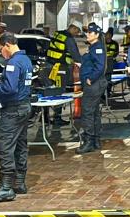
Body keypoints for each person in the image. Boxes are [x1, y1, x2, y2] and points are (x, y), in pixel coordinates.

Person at [0, 32, 33, 202]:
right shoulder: (26, 60)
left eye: (0, 49)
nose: (1, 53)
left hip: (12, 109)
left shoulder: (13, 62)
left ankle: (6, 187)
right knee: (20, 145)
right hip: (25, 107)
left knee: (4, 146)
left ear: (7, 45)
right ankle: (19, 182)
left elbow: (10, 89)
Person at [43, 24, 82, 126]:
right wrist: (83, 62)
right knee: (59, 91)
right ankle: (57, 118)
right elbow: (75, 54)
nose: (77, 34)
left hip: (49, 66)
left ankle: (44, 117)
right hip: (59, 68)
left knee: (48, 91)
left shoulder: (58, 34)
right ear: (73, 28)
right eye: (77, 31)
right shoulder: (69, 38)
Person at [76, 23, 107, 154]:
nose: (87, 34)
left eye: (90, 32)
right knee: (93, 112)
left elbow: (99, 66)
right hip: (93, 84)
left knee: (87, 112)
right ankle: (95, 140)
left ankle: (89, 141)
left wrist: (90, 78)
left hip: (94, 84)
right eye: (87, 32)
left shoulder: (97, 48)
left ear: (97, 35)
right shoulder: (93, 47)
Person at [104, 27, 119, 96]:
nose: (107, 36)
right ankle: (103, 94)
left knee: (108, 79)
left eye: (109, 35)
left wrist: (109, 56)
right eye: (106, 35)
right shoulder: (102, 43)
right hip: (103, 63)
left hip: (110, 63)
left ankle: (108, 92)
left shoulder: (115, 43)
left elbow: (115, 53)